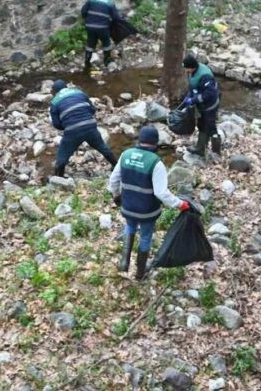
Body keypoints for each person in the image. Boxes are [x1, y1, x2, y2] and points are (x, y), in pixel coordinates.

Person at [109, 125, 190, 280]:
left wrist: (116, 196)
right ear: (155, 142)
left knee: (130, 227)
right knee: (145, 237)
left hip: (128, 207)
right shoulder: (156, 163)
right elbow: (161, 193)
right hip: (148, 211)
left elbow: (113, 180)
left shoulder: (126, 155)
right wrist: (180, 204)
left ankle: (124, 263)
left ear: (140, 139)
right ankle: (140, 273)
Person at [50, 79, 117, 177]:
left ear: (55, 91)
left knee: (62, 156)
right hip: (90, 126)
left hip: (72, 131)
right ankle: (115, 166)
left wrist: (67, 125)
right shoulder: (79, 93)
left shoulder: (54, 102)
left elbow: (56, 124)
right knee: (102, 147)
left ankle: (59, 178)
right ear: (66, 87)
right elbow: (92, 110)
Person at [182, 55, 221, 157]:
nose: (186, 70)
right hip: (202, 106)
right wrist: (188, 96)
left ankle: (216, 152)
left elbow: (209, 94)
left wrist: (194, 99)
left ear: (191, 67)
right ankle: (200, 149)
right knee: (202, 125)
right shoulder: (193, 72)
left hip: (210, 105)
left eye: (186, 68)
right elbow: (193, 87)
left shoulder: (205, 76)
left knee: (211, 127)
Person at [81, 0, 120, 68]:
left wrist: (87, 20)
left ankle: (87, 61)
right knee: (106, 43)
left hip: (90, 26)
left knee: (90, 42)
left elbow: (83, 11)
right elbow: (116, 17)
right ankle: (106, 60)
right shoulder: (110, 3)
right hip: (103, 28)